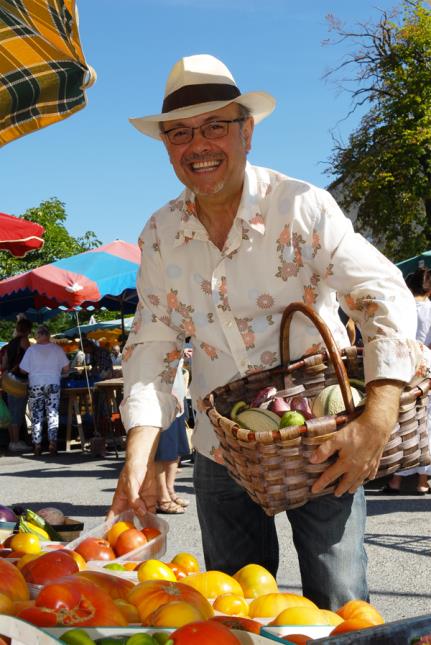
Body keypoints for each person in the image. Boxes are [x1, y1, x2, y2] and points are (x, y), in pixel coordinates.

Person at [108, 54, 429, 609]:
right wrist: (138, 454)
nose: (198, 145)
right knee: (233, 606)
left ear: (246, 131)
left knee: (339, 599)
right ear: (166, 146)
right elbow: (152, 345)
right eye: (181, 133)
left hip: (325, 438)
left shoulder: (300, 207)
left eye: (215, 126)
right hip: (219, 449)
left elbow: (384, 295)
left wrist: (376, 420)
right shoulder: (160, 233)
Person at [382, 266, 431, 495]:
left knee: (401, 421)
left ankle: (396, 480)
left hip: (404, 366)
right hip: (427, 368)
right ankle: (423, 480)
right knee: (425, 424)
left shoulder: (402, 307)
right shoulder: (429, 309)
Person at [19, 325, 70, 456]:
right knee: (52, 412)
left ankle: (37, 445)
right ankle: (52, 443)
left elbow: (23, 370)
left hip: (35, 384)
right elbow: (66, 368)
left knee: (36, 414)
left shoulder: (31, 350)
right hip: (53, 383)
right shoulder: (57, 349)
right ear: (48, 335)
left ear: (39, 336)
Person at [155, 356, 191, 514]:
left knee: (174, 449)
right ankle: (161, 497)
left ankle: (170, 491)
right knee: (161, 450)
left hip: (177, 391)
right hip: (160, 393)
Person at [1, 318, 32, 452]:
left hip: (9, 379)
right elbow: (31, 358)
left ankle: (12, 441)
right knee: (17, 412)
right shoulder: (24, 341)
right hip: (19, 380)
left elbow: (4, 364)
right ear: (28, 330)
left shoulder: (9, 344)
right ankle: (15, 442)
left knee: (11, 411)